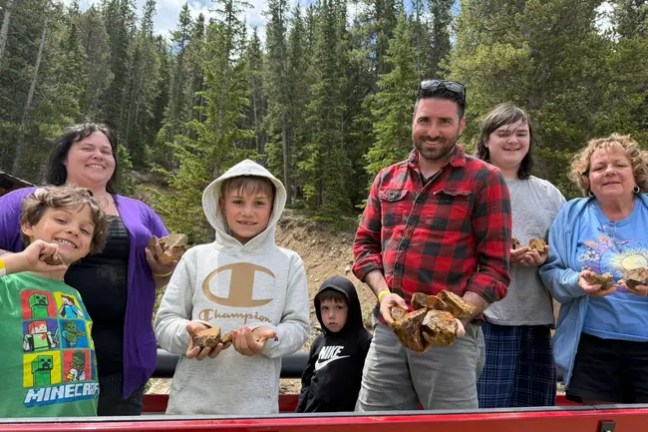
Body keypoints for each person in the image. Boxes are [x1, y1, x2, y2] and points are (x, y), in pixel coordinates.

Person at [352, 79, 512, 411]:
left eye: (444, 121)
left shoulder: (484, 180)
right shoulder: (387, 178)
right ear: (413, 121)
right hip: (389, 332)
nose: (433, 131)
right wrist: (383, 295)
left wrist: (455, 317)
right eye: (425, 120)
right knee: (374, 424)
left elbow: (495, 268)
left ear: (461, 125)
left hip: (449, 342)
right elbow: (365, 246)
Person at [0, 123, 174, 416]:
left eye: (106, 150)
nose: (99, 155)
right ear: (64, 157)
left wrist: (163, 269)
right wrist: (23, 261)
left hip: (116, 363)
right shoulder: (24, 201)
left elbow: (160, 273)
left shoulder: (139, 211)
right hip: (31, 363)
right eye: (87, 147)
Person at [154, 159, 310, 415]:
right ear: (221, 205)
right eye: (238, 202)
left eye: (259, 203)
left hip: (257, 411)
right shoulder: (195, 258)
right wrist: (189, 333)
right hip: (190, 410)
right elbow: (165, 323)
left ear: (273, 208)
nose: (248, 212)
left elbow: (299, 327)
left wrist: (269, 338)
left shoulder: (289, 262)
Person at [539, 133, 648, 404]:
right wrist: (577, 282)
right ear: (588, 179)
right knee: (598, 424)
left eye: (619, 165)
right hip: (590, 347)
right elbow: (551, 272)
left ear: (635, 173)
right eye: (599, 167)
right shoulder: (572, 214)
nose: (609, 171)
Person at [474, 103, 565, 408]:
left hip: (537, 323)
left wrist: (546, 257)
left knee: (536, 415)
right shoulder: (472, 186)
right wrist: (500, 256)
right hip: (487, 319)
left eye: (521, 133)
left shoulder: (549, 194)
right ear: (486, 140)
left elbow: (565, 254)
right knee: (486, 416)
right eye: (503, 133)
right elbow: (452, 251)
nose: (513, 140)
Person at [0, 185, 108, 417]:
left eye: (85, 230)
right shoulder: (7, 286)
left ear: (89, 247)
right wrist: (21, 261)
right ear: (28, 225)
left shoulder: (74, 296)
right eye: (61, 219)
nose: (73, 231)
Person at [296, 275, 373, 412]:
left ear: (351, 308)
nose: (331, 315)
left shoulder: (363, 341)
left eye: (338, 307)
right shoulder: (319, 342)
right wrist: (299, 415)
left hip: (346, 422)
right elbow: (307, 382)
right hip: (312, 420)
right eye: (325, 308)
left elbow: (370, 386)